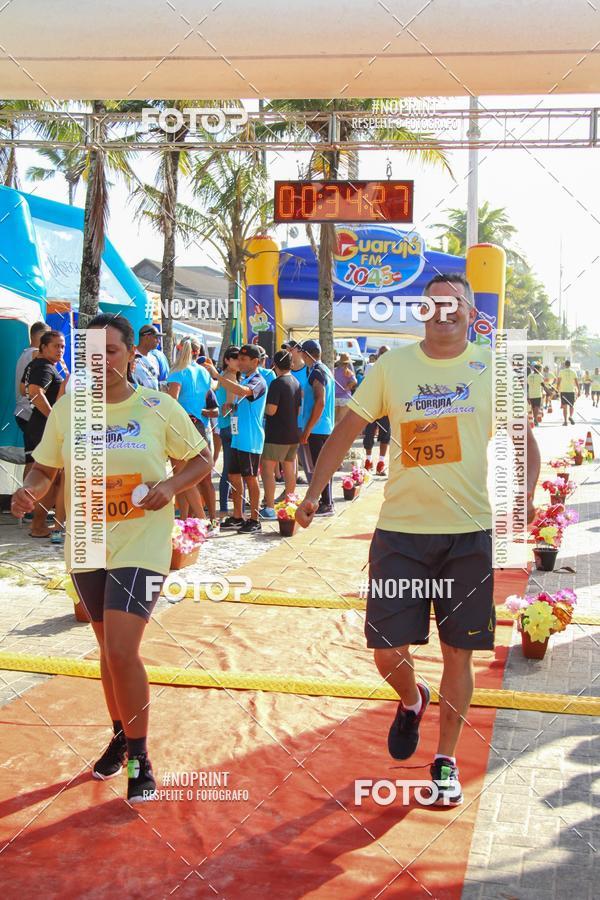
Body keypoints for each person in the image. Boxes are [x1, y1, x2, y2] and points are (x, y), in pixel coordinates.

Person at [296, 273, 541, 806]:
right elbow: (345, 431)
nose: (444, 312)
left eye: (455, 305)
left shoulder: (493, 369)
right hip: (401, 533)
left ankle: (445, 758)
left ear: (472, 313)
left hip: (468, 535)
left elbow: (524, 442)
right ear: (421, 312)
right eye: (433, 305)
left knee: (461, 652)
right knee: (387, 650)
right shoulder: (393, 366)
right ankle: (411, 698)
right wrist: (315, 491)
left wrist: (520, 504)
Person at [11, 314, 211, 803]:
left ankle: (140, 757)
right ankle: (121, 735)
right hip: (87, 542)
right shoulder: (69, 408)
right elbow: (44, 469)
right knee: (106, 649)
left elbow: (202, 458)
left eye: (113, 353)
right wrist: (30, 494)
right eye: (92, 356)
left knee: (122, 649)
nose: (102, 364)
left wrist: (169, 486)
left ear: (131, 355)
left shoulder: (156, 406)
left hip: (142, 541)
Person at [203, 344, 267, 534]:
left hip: (250, 438)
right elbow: (241, 401)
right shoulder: (246, 377)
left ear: (255, 362)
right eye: (239, 358)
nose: (240, 362)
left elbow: (243, 391)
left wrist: (218, 376)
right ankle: (238, 516)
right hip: (238, 436)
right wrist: (230, 407)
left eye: (244, 359)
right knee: (233, 476)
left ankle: (254, 519)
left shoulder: (258, 380)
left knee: (251, 478)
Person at [20, 330, 68, 539]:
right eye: (56, 346)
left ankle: (37, 522)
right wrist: (54, 417)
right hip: (43, 428)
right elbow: (34, 392)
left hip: (36, 426)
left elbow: (23, 389)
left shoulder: (35, 365)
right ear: (43, 347)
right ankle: (38, 524)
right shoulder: (45, 366)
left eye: (63, 346)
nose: (60, 350)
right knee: (51, 479)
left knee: (49, 478)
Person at [166, 338, 217, 528]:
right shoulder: (203, 372)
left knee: (181, 476)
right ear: (198, 351)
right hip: (200, 426)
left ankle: (199, 521)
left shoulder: (178, 371)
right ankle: (201, 520)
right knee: (202, 477)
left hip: (182, 425)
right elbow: (211, 391)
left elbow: (172, 400)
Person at [260, 349, 301, 519]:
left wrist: (262, 411)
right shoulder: (296, 382)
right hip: (292, 433)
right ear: (291, 363)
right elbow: (298, 410)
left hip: (276, 434)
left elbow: (271, 410)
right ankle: (289, 504)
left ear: (274, 365)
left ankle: (269, 507)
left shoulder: (277, 384)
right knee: (289, 468)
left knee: (267, 470)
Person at [299, 339, 335, 516]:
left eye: (302, 354)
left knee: (320, 467)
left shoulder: (317, 372)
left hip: (317, 428)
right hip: (323, 426)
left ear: (306, 354)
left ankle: (326, 503)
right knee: (323, 465)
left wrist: (307, 429)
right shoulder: (325, 370)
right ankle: (326, 501)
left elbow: (320, 401)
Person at [214, 346, 240, 514]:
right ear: (227, 360)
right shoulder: (229, 377)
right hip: (230, 427)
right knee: (230, 470)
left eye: (241, 358)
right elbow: (227, 408)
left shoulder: (225, 377)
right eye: (235, 358)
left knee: (230, 469)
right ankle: (224, 506)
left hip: (225, 427)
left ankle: (225, 505)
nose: (239, 361)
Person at [283, 339, 310, 485]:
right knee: (290, 457)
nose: (287, 353)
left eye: (290, 349)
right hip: (291, 421)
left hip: (307, 422)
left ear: (299, 351)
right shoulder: (285, 371)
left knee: (309, 460)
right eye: (285, 350)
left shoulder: (309, 370)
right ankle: (290, 489)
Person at [363, 346, 391, 476]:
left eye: (387, 353)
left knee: (385, 436)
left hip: (386, 407)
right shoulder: (370, 367)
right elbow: (367, 385)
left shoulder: (394, 368)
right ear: (378, 355)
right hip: (371, 406)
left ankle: (381, 463)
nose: (384, 355)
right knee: (369, 434)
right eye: (382, 353)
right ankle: (368, 461)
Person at [133, 325, 163, 389]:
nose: (159, 341)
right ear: (147, 337)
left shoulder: (154, 359)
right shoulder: (130, 357)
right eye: (156, 338)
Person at [334, 352, 357, 425]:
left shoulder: (334, 371)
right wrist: (348, 387)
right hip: (345, 397)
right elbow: (355, 381)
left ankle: (334, 435)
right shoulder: (349, 372)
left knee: (335, 420)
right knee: (341, 421)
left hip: (335, 397)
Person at [557, 359, 580, 426]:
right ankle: (570, 416)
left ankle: (565, 421)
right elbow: (576, 382)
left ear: (565, 365)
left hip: (563, 391)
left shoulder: (561, 372)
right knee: (571, 405)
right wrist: (579, 390)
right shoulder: (573, 372)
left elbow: (558, 381)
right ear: (570, 365)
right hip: (571, 391)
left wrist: (557, 389)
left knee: (564, 407)